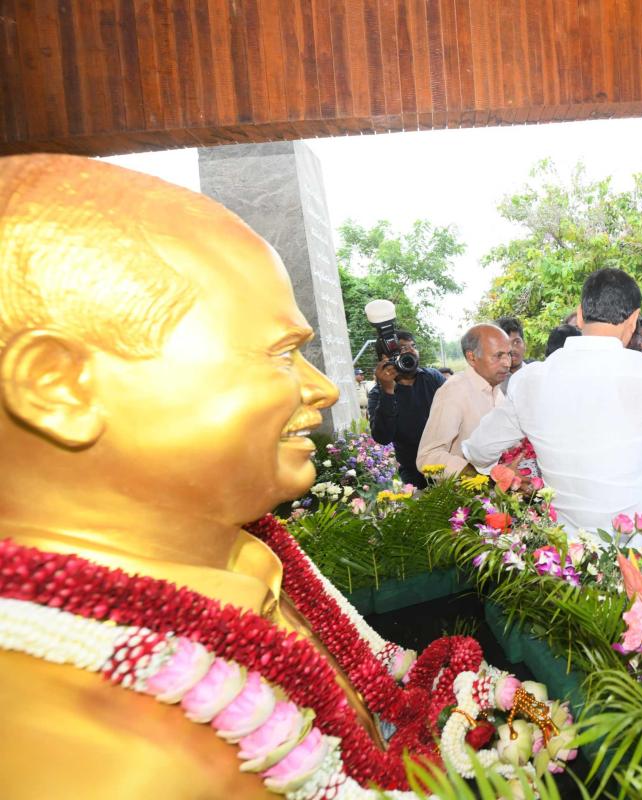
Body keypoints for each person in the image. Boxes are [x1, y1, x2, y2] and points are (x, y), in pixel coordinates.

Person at [0, 154, 432, 797]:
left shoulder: (248, 553)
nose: (323, 390)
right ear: (60, 388)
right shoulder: (116, 763)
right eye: (283, 353)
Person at [464, 269, 642, 546]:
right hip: (636, 548)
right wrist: (631, 479)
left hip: (564, 558)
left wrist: (503, 474)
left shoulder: (530, 380)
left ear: (580, 314)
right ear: (633, 320)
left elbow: (477, 449)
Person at [416, 324, 511, 474]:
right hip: (466, 494)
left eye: (508, 354)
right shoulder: (454, 391)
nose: (507, 363)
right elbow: (428, 457)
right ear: (471, 357)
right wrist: (478, 479)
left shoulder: (497, 390)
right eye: (498, 356)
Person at [367, 332, 446, 489]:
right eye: (403, 348)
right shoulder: (378, 393)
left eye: (413, 346)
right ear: (385, 358)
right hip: (414, 473)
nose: (410, 351)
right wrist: (388, 391)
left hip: (448, 462)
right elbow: (382, 437)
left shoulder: (433, 378)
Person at [496, 316, 533, 391]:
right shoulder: (492, 383)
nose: (512, 349)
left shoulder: (536, 375)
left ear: (525, 345)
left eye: (516, 342)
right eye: (505, 344)